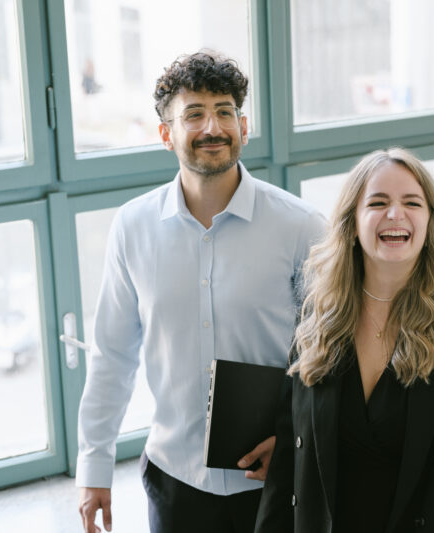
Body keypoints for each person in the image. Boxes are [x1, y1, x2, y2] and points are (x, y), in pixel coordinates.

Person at [76, 50, 325, 533]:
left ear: (244, 125)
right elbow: (112, 357)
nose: (213, 126)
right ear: (166, 134)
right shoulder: (132, 228)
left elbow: (331, 353)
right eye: (194, 114)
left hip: (276, 481)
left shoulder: (301, 227)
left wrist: (296, 436)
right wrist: (94, 468)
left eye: (225, 111)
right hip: (175, 482)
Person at [255, 147, 434, 532]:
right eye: (377, 202)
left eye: (412, 202)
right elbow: (291, 457)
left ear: (430, 221)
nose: (395, 214)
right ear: (353, 223)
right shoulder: (318, 313)